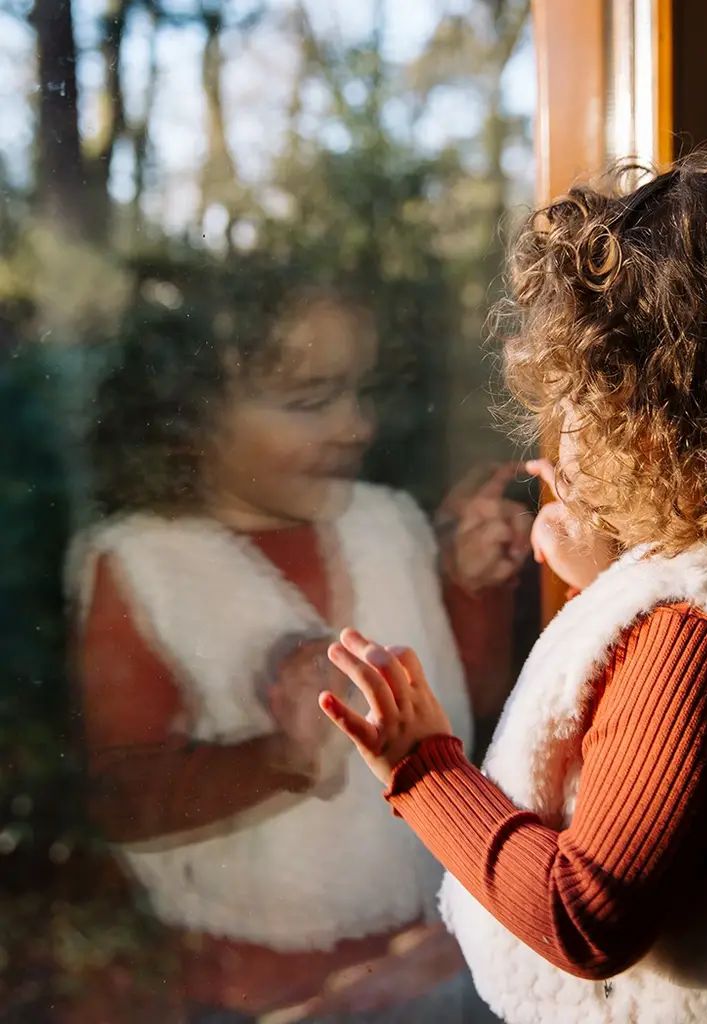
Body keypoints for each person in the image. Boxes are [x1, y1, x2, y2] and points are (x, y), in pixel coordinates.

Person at [318, 154, 707, 1024]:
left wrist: (422, 767)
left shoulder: (686, 638)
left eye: (579, 407)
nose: (561, 441)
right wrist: (612, 571)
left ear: (652, 427)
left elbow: (584, 913)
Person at [68, 277, 529, 1022]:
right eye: (312, 400)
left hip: (435, 952)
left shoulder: (388, 524)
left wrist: (472, 586)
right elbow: (123, 795)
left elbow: (466, 701)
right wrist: (278, 757)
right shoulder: (140, 565)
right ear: (189, 420)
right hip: (251, 990)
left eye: (359, 392)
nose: (356, 426)